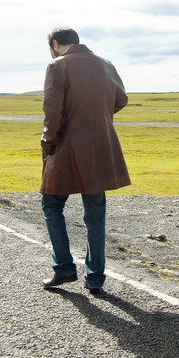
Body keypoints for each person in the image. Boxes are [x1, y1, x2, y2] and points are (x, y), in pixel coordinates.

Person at [39, 27, 130, 295]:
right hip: (100, 145)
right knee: (95, 212)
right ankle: (96, 278)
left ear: (55, 44)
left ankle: (64, 267)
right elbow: (121, 99)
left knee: (52, 204)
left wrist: (48, 141)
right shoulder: (106, 64)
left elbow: (52, 112)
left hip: (66, 147)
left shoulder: (56, 66)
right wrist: (97, 115)